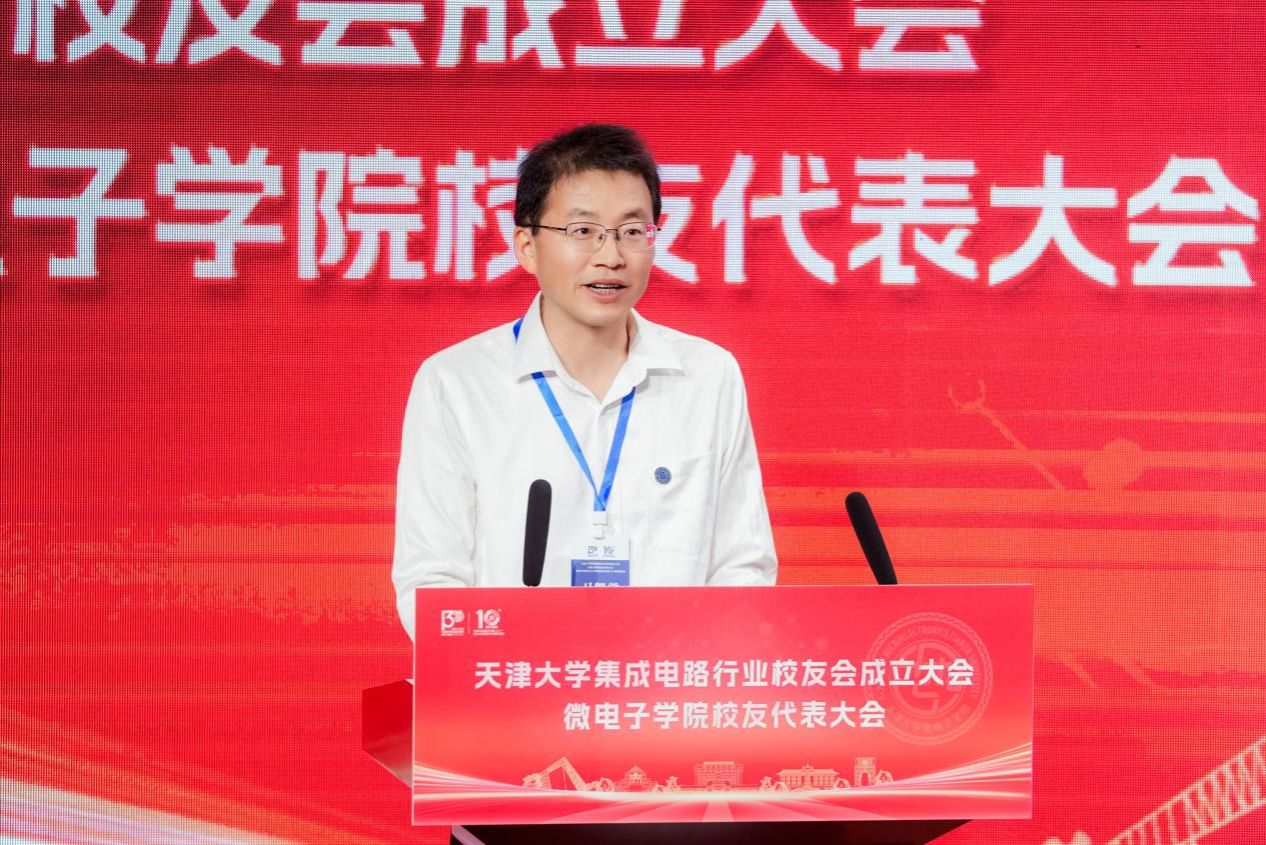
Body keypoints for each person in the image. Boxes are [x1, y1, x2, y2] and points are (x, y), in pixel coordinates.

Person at [392, 124, 776, 639]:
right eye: (582, 230)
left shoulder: (708, 377)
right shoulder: (457, 383)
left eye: (632, 231)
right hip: (517, 681)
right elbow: (431, 581)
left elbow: (742, 567)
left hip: (668, 683)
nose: (611, 255)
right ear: (527, 246)